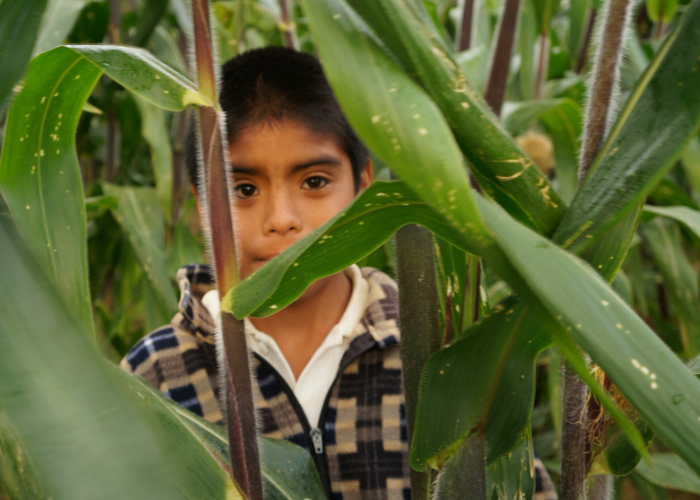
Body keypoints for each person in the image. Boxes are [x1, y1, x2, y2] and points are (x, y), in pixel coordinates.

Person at [120, 46, 556, 500]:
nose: (282, 218)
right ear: (202, 202)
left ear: (364, 187)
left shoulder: (444, 358)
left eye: (313, 182)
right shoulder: (154, 376)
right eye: (243, 189)